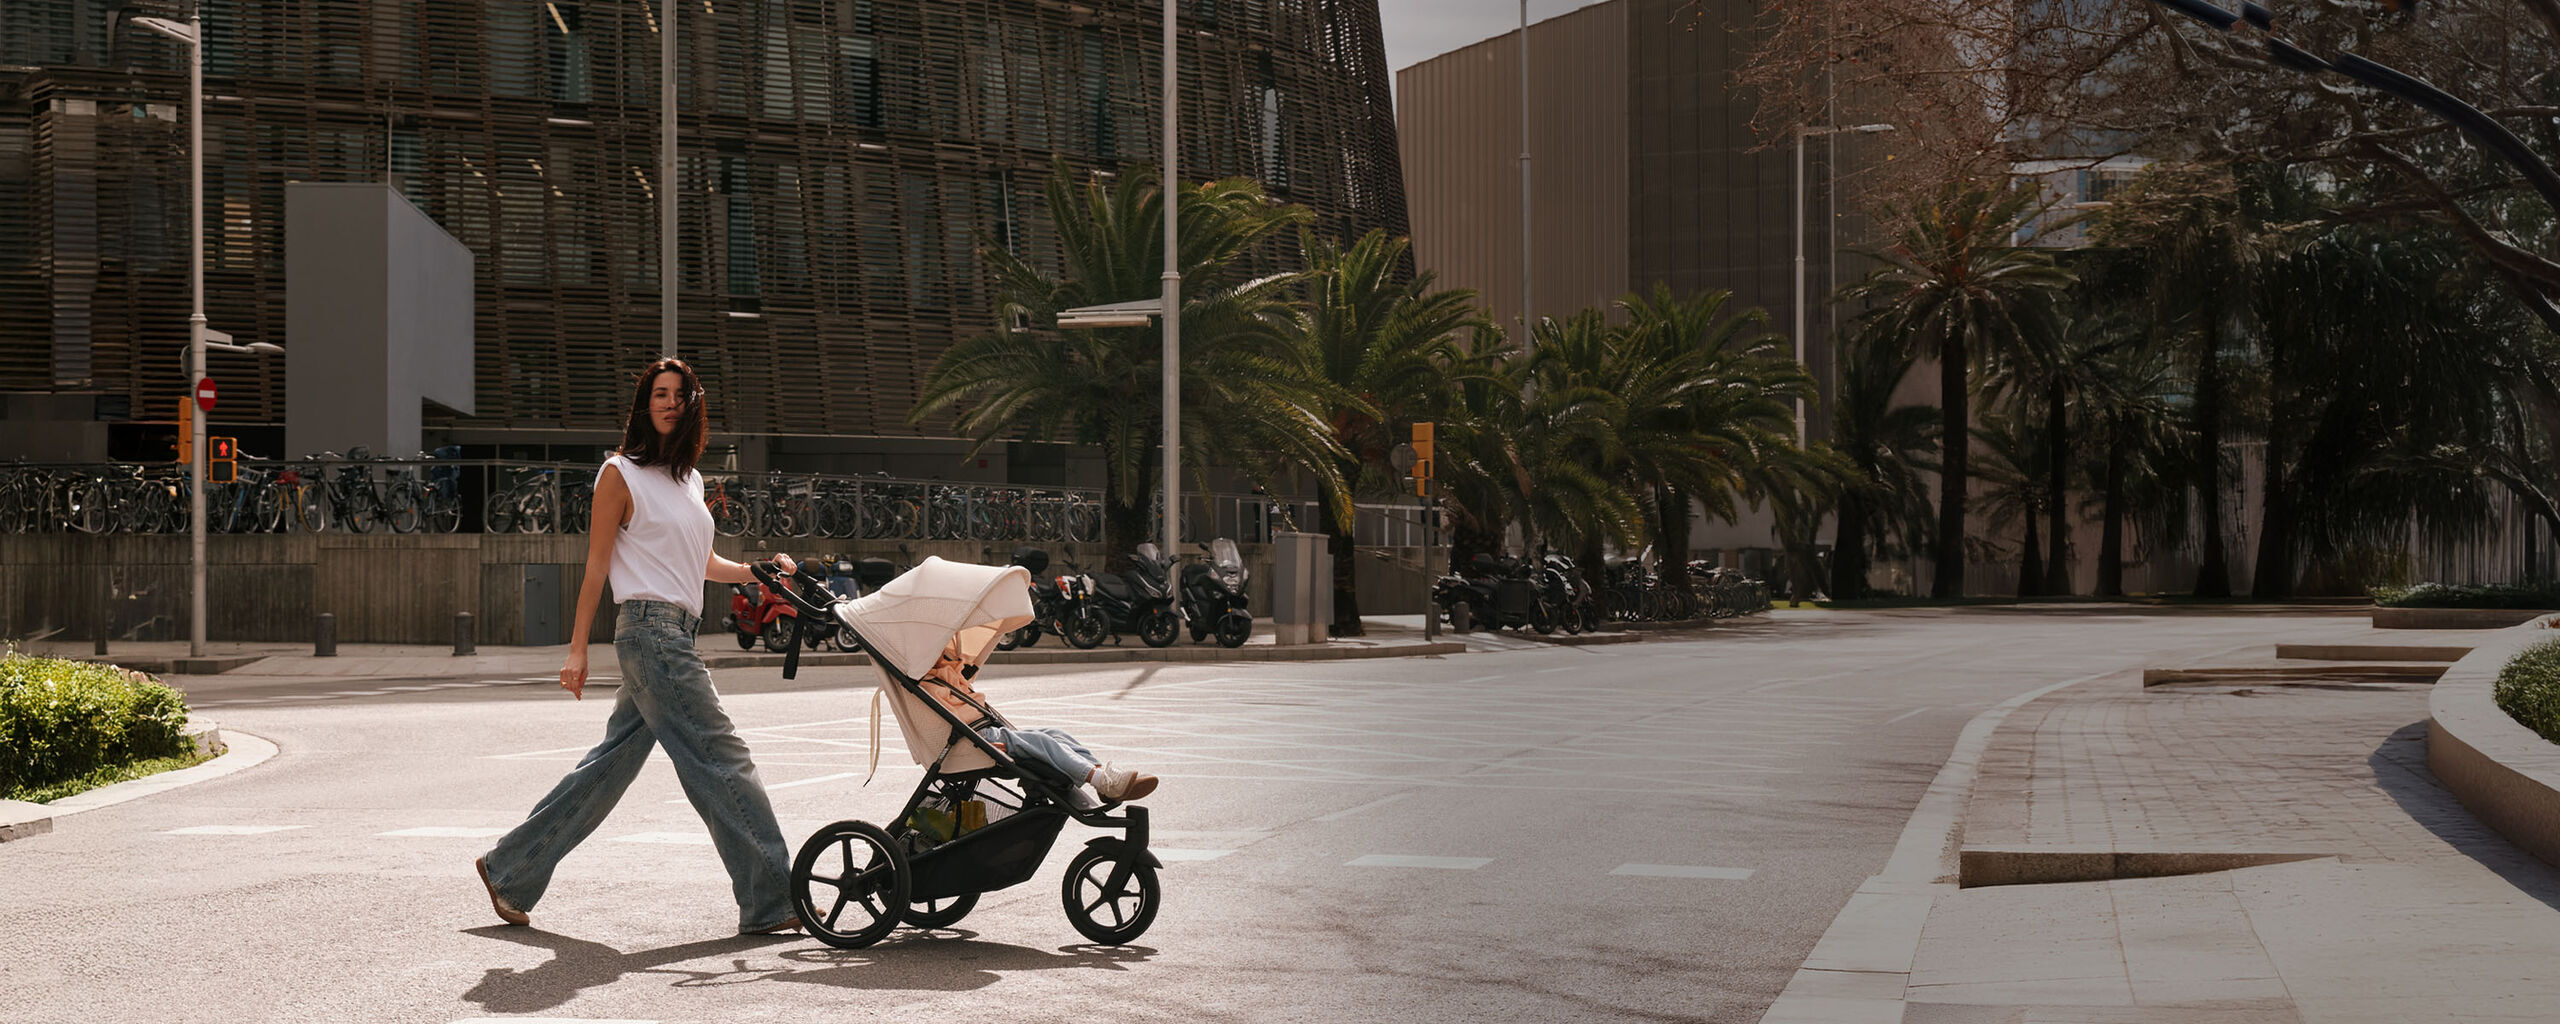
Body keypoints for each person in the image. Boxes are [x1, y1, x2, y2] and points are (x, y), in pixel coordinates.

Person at [475, 358, 800, 935]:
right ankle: (774, 899)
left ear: (693, 404)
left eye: (679, 394)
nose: (669, 403)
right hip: (650, 633)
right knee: (723, 758)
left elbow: (703, 564)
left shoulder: (690, 480)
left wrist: (758, 570)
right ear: (644, 406)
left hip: (676, 631)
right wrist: (577, 650)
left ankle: (511, 868)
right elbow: (597, 565)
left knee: (608, 769)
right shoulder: (618, 473)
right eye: (659, 394)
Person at [919, 644, 1157, 806]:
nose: (948, 656)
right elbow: (951, 719)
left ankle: (1101, 778)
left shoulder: (942, 674)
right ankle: (1099, 779)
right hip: (973, 739)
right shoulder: (929, 684)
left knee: (1055, 733)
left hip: (981, 732)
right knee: (1043, 742)